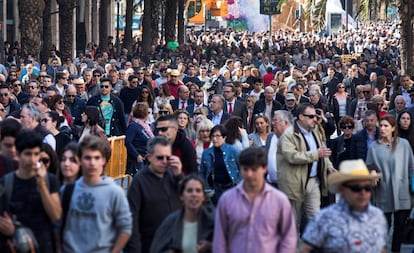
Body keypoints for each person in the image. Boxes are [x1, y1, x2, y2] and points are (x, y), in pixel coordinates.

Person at [213, 147, 297, 253]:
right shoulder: (227, 200)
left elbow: (289, 238)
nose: (249, 174)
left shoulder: (279, 201)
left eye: (254, 169)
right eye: (245, 169)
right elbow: (220, 239)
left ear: (264, 168)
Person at [62, 135, 132, 253]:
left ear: (103, 160)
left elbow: (125, 228)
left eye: (96, 158)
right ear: (80, 160)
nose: (92, 163)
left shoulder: (114, 192)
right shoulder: (68, 190)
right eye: (88, 158)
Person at [300, 159, 388, 253]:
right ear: (343, 190)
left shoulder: (378, 216)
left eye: (367, 188)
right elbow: (305, 249)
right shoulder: (325, 218)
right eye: (356, 188)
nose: (363, 193)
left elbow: (382, 248)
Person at [0, 130, 61, 253]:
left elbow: (56, 216)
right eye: (28, 154)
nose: (33, 160)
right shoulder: (6, 182)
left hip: (44, 246)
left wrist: (42, 184)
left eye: (36, 154)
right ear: (18, 153)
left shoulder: (50, 180)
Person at [277, 103, 336, 230]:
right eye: (310, 116)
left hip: (313, 182)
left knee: (316, 219)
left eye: (315, 116)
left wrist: (328, 165)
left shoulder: (315, 130)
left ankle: (315, 248)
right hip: (294, 184)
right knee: (292, 224)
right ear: (301, 117)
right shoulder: (288, 135)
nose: (315, 119)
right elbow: (292, 156)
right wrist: (315, 154)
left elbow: (322, 151)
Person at [125, 136, 184, 253]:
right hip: (150, 246)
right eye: (160, 157)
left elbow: (191, 203)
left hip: (176, 244)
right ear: (149, 157)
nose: (165, 161)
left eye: (168, 158)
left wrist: (179, 177)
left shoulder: (174, 175)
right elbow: (132, 221)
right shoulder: (139, 181)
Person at [365, 114, 414, 252]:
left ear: (393, 128)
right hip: (383, 192)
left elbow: (411, 167)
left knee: (400, 227)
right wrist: (372, 174)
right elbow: (369, 167)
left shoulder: (403, 144)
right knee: (383, 227)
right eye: (381, 125)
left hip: (403, 192)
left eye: (386, 126)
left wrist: (413, 187)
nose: (382, 128)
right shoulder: (374, 147)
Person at [150, 175, 214, 253]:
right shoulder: (170, 223)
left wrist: (211, 247)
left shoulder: (213, 222)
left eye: (198, 190)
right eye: (189, 191)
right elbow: (156, 248)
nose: (194, 194)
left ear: (203, 196)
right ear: (181, 196)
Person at [200, 125, 241, 204]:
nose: (215, 139)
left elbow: (242, 168)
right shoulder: (206, 153)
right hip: (214, 189)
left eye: (218, 136)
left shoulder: (232, 150)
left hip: (230, 187)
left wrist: (238, 183)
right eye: (213, 136)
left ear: (224, 137)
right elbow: (202, 172)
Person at [265, 110, 293, 188]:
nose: (272, 123)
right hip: (270, 184)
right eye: (272, 120)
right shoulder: (270, 136)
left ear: (286, 122)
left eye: (275, 120)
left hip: (289, 186)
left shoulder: (295, 137)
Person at [125, 102, 154, 176]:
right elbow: (128, 142)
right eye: (148, 112)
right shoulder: (133, 126)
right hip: (138, 159)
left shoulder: (146, 126)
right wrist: (137, 155)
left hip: (146, 157)